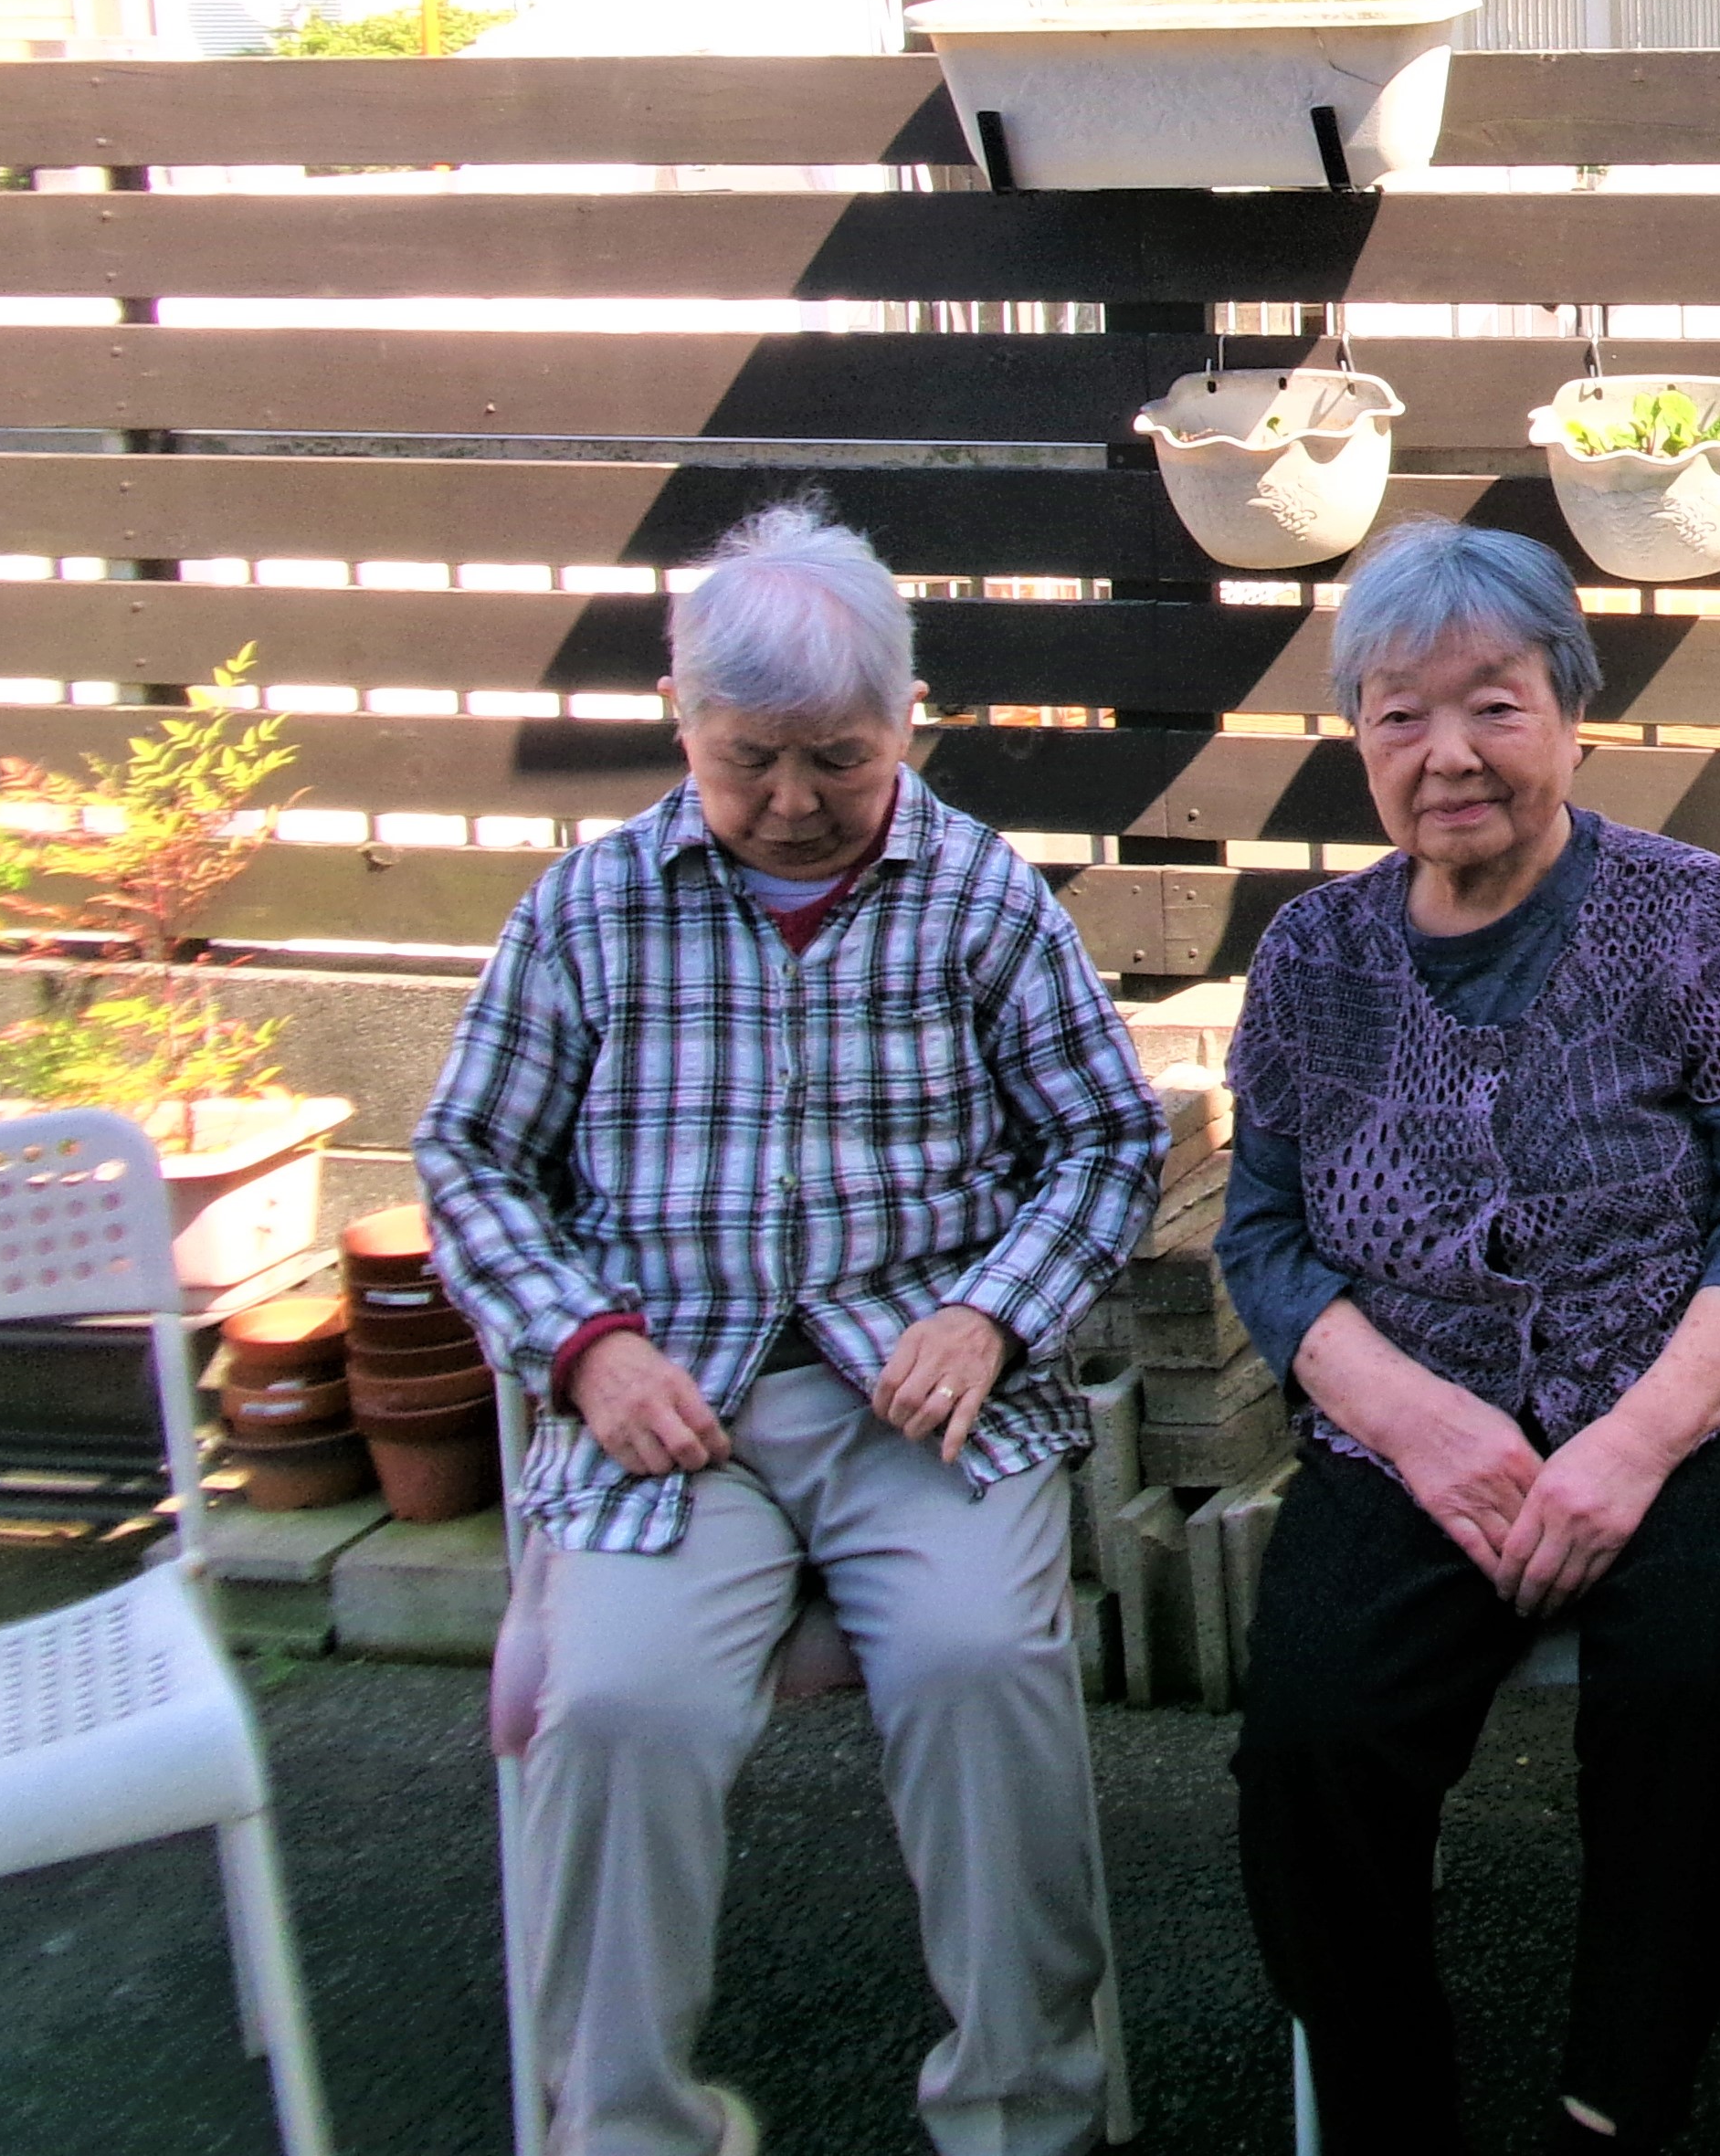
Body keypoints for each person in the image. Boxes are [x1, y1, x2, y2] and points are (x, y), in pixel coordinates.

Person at [419, 500, 1167, 2156]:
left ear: (910, 720)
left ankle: (1023, 2112)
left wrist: (992, 1315)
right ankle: (628, 2128)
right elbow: (468, 1158)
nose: (792, 802)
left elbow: (1112, 1139)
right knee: (620, 1711)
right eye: (746, 758)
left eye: (839, 757)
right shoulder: (589, 909)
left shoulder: (980, 898)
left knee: (983, 1668)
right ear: (678, 718)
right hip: (668, 1415)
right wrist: (587, 1347)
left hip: (918, 1407)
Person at [1219, 520, 1720, 2156]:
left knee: (1691, 1697)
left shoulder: (1689, 912)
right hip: (1412, 1414)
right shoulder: (1310, 958)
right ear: (1359, 741)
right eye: (1401, 715)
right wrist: (1416, 1422)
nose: (1449, 755)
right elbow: (1264, 1237)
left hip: (1702, 1408)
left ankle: (1611, 2106)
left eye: (1493, 706)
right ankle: (1390, 2112)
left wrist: (1633, 1444)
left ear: (1573, 715)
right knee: (1313, 1737)